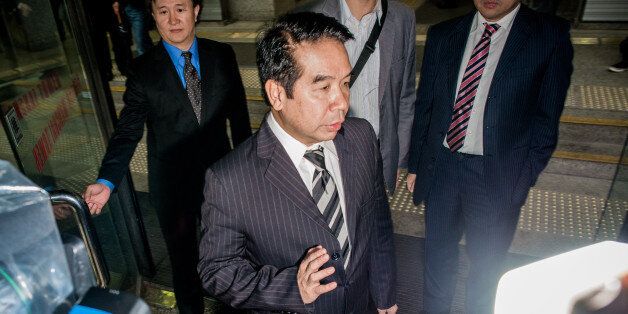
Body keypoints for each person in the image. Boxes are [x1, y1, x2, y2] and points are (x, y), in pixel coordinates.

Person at [197, 12, 398, 314]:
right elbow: (217, 271)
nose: (342, 101)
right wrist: (291, 287)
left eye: (345, 83)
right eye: (323, 87)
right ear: (277, 94)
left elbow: (377, 221)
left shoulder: (361, 137)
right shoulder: (229, 181)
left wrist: (384, 294)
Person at [83, 0, 252, 312]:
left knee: (231, 255)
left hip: (222, 178)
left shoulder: (222, 55)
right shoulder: (143, 70)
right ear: (153, 16)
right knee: (184, 262)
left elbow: (239, 119)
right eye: (163, 11)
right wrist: (107, 180)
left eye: (180, 8)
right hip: (173, 185)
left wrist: (249, 172)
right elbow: (128, 129)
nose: (173, 20)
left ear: (196, 11)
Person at [406, 0, 573, 313]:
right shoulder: (444, 34)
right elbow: (426, 105)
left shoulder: (548, 35)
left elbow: (546, 118)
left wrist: (523, 178)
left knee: (487, 268)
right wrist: (417, 165)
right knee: (437, 256)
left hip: (497, 174)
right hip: (442, 167)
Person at [296, 0, 416, 193]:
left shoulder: (403, 17)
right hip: (329, 150)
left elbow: (406, 97)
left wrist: (399, 159)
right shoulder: (310, 15)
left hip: (381, 154)